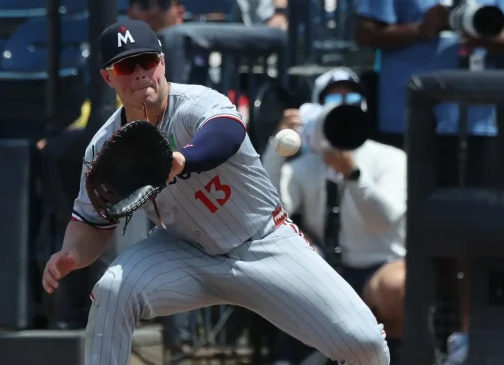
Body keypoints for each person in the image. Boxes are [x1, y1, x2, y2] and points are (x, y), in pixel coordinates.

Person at [41, 20, 389, 365]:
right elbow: (91, 221)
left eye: (146, 60)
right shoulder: (104, 146)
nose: (139, 73)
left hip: (262, 244)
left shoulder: (196, 102)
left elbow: (225, 134)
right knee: (113, 290)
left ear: (162, 62)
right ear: (108, 76)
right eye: (125, 65)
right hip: (184, 252)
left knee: (367, 345)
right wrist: (72, 253)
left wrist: (182, 159)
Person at [262, 68, 407, 365]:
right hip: (326, 271)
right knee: (284, 263)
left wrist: (352, 175)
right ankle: (294, 353)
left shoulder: (391, 158)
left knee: (399, 285)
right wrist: (278, 147)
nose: (344, 102)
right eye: (334, 96)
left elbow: (384, 219)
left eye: (352, 95)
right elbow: (268, 211)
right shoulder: (304, 166)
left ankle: (401, 356)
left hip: (377, 268)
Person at [354, 0, 504, 186]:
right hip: (408, 115)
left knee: (470, 202)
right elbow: (365, 34)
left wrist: (478, 35)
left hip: (474, 115)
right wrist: (421, 30)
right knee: (404, 199)